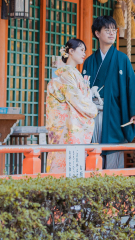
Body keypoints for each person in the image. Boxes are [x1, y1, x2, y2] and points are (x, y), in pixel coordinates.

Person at [81, 15, 135, 169]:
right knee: (93, 150)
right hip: (92, 114)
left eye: (113, 30)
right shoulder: (89, 61)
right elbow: (82, 90)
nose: (112, 33)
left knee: (113, 151)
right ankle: (93, 179)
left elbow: (131, 86)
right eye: (107, 30)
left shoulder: (122, 59)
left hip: (114, 113)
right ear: (97, 33)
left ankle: (112, 180)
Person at [45, 38, 99, 173]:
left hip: (70, 124)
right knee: (65, 164)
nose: (84, 54)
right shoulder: (67, 73)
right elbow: (76, 99)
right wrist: (93, 108)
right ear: (71, 51)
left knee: (70, 164)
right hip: (67, 126)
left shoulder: (73, 73)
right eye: (81, 50)